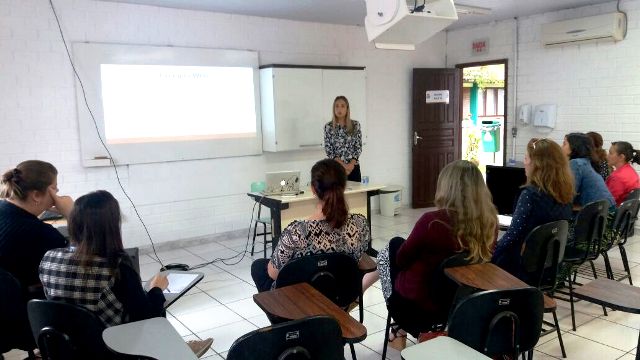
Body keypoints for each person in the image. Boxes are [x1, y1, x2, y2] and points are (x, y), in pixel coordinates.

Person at [38, 190, 212, 357]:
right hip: (112, 347)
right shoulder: (116, 267)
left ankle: (176, 350)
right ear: (112, 226)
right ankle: (174, 353)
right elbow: (147, 317)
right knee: (156, 309)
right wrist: (156, 290)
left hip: (66, 346)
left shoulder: (48, 258)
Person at [362, 160, 498, 349]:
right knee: (396, 245)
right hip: (461, 307)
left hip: (417, 309)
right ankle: (395, 327)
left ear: (446, 188)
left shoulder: (432, 222)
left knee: (390, 249)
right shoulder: (490, 224)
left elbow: (401, 260)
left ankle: (395, 327)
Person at [251, 159, 370, 292]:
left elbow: (273, 274)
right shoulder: (360, 224)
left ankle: (281, 311)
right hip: (341, 295)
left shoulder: (296, 232)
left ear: (313, 189)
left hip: (300, 301)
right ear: (344, 186)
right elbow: (359, 257)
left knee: (258, 267)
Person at [492, 138, 574, 279]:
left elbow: (513, 236)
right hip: (550, 266)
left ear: (537, 164)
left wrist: (492, 254)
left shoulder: (530, 195)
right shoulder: (566, 193)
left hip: (521, 267)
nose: (524, 162)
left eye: (526, 158)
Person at [0, 160, 73, 297]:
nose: (57, 193)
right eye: (54, 188)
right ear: (36, 195)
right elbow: (76, 266)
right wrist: (73, 215)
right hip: (22, 309)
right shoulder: (40, 233)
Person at [562, 133, 615, 209]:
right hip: (606, 210)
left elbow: (569, 195)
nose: (561, 147)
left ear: (574, 147)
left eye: (564, 144)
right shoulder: (586, 162)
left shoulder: (576, 163)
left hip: (601, 213)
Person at [324, 96, 363, 182]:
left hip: (353, 168)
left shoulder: (355, 125)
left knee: (356, 195)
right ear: (333, 109)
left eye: (342, 106)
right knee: (337, 195)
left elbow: (358, 147)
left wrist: (351, 165)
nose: (339, 109)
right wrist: (345, 166)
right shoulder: (329, 127)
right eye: (336, 106)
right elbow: (329, 150)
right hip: (336, 169)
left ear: (347, 108)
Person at [606, 141, 640, 206]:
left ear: (621, 157)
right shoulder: (631, 171)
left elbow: (607, 201)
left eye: (610, 153)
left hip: (613, 213)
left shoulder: (617, 177)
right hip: (624, 213)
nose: (607, 156)